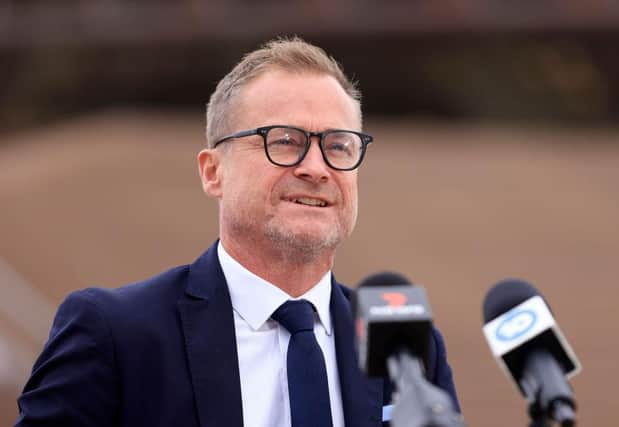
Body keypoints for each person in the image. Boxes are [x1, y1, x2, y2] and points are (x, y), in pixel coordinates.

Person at [15, 37, 459, 427]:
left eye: (338, 145)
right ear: (213, 172)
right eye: (285, 140)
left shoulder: (405, 344)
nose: (316, 168)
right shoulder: (115, 334)